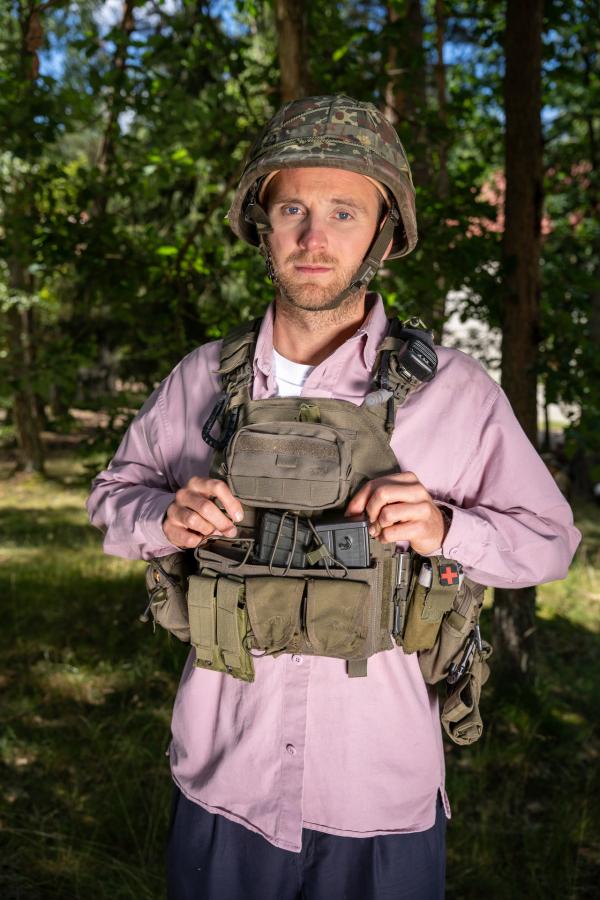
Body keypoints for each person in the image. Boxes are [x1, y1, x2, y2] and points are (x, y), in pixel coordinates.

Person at [87, 94, 581, 899]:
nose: (315, 240)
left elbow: (552, 541)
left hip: (378, 800)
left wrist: (446, 526)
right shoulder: (202, 380)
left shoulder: (452, 394)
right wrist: (161, 518)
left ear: (384, 232)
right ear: (262, 225)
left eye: (344, 212)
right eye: (293, 209)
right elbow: (112, 501)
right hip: (225, 785)